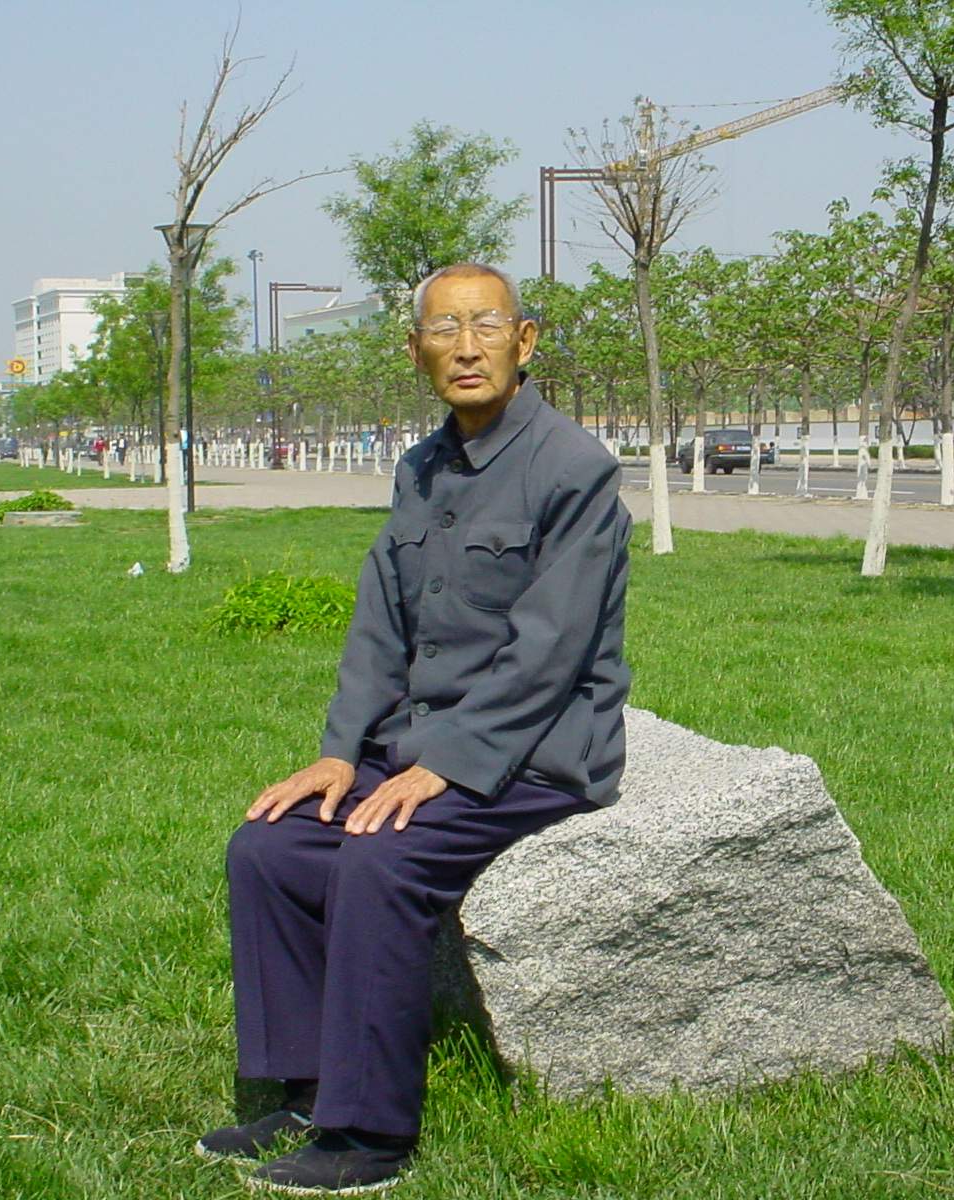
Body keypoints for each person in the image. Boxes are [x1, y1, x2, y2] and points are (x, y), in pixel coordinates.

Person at [198, 263, 632, 1194]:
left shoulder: (573, 468)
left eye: (487, 326)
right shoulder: (421, 467)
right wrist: (338, 754)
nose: (466, 348)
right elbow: (382, 625)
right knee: (270, 848)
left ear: (525, 340)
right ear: (415, 350)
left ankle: (368, 1136)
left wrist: (444, 764)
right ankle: (307, 1092)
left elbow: (550, 651)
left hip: (536, 755)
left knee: (378, 858)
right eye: (444, 329)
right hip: (426, 744)